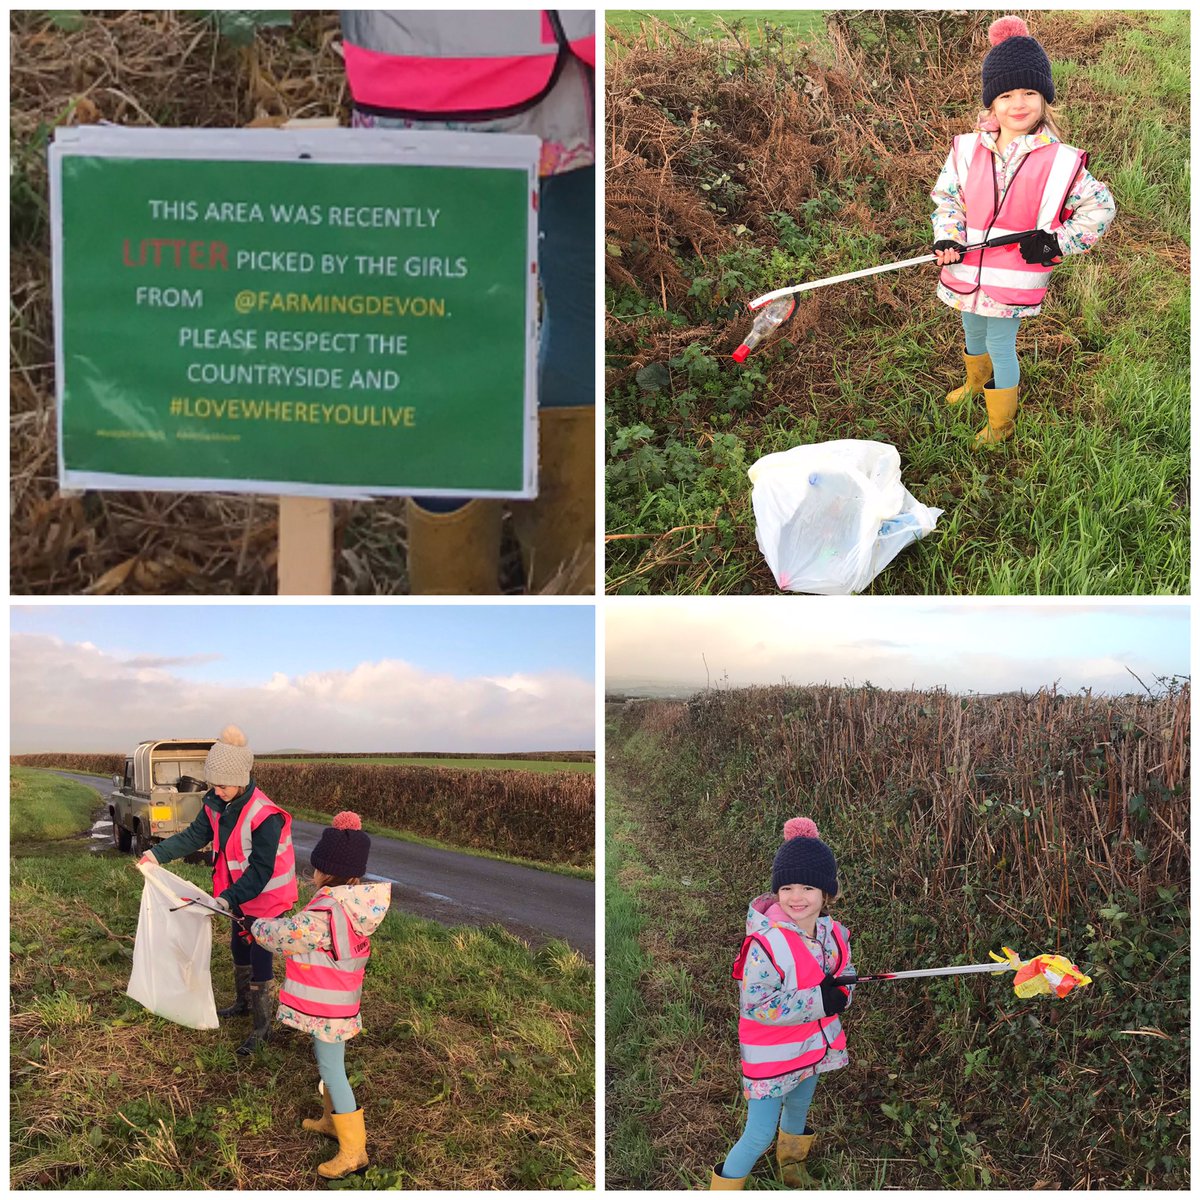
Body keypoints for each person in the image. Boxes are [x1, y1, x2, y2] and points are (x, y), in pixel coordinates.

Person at [340, 10, 596, 594]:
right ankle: (563, 581)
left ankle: (450, 590)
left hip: (401, 77)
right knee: (575, 314)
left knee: (438, 343)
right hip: (555, 77)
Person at [931, 15, 1114, 446]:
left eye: (1030, 92)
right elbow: (948, 199)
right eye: (1007, 94)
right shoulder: (965, 149)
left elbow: (1100, 208)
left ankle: (1000, 424)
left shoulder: (1061, 160)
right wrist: (948, 236)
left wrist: (1056, 241)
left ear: (1045, 98)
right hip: (967, 271)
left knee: (999, 344)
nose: (1018, 103)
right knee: (971, 331)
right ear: (991, 103)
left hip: (1013, 280)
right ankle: (976, 384)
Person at [711, 818, 854, 1190]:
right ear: (776, 892)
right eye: (786, 887)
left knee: (799, 1110)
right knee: (758, 1135)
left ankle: (792, 1169)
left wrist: (842, 993)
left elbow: (845, 974)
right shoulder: (765, 943)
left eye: (808, 886)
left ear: (827, 892)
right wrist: (820, 1001)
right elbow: (758, 1005)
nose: (796, 896)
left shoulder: (832, 935)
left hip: (812, 1050)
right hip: (772, 1060)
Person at [138, 725, 297, 1055]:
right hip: (235, 894)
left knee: (259, 953)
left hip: (266, 897)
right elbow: (194, 836)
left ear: (242, 778)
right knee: (239, 948)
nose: (217, 790)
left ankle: (262, 1026)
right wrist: (156, 854)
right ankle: (242, 1002)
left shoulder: (264, 815)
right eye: (213, 784)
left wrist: (229, 897)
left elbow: (262, 870)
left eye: (223, 785)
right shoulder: (215, 802)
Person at [250, 811, 391, 1180]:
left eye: (315, 867)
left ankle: (353, 1152)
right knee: (328, 1063)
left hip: (329, 1008)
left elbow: (286, 937)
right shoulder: (349, 904)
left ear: (323, 872)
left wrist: (256, 924)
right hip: (336, 1004)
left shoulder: (325, 912)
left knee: (333, 1070)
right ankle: (331, 1122)